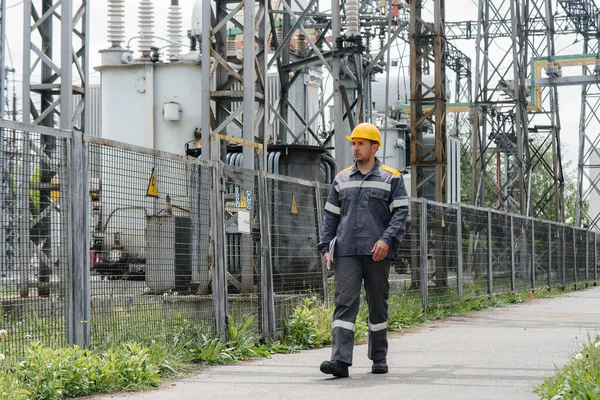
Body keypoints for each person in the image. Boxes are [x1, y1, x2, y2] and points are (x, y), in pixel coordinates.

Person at [317, 122, 409, 378]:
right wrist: (326, 247)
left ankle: (379, 357)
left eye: (361, 144)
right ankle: (340, 361)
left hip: (378, 251)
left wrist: (387, 240)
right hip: (346, 250)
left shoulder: (392, 177)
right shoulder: (341, 178)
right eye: (353, 144)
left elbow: (401, 213)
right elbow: (330, 217)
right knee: (344, 304)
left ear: (375, 147)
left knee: (377, 304)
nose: (355, 148)